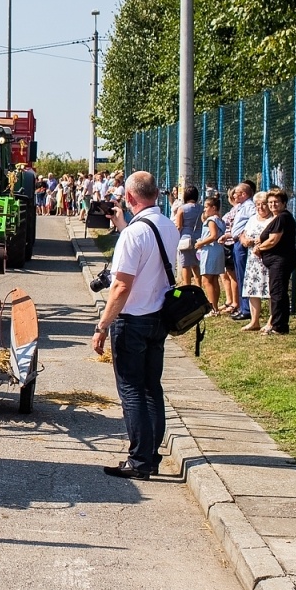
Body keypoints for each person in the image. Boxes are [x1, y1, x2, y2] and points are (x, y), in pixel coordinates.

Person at [91, 171, 178, 480]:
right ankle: (151, 454)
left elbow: (121, 286)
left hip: (133, 318)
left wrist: (102, 325)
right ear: (155, 194)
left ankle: (139, 461)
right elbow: (149, 255)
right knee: (151, 387)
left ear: (129, 198)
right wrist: (120, 226)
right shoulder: (167, 226)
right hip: (159, 316)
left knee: (131, 389)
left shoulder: (133, 234)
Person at [256, 188, 296, 335]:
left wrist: (260, 248)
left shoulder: (283, 218)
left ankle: (279, 326)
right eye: (270, 202)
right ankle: (277, 323)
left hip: (281, 260)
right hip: (276, 260)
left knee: (278, 292)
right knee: (277, 291)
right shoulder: (278, 218)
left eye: (276, 202)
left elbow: (274, 240)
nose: (273, 205)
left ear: (284, 203)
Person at [239, 191, 274, 332]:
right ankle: (254, 321)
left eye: (264, 204)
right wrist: (244, 240)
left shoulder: (273, 219)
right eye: (257, 205)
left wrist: (260, 245)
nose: (260, 207)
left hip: (267, 259)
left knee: (271, 291)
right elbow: (243, 234)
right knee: (253, 290)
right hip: (253, 260)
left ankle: (271, 321)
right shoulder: (253, 218)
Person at [222, 183, 255, 318]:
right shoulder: (241, 207)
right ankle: (242, 307)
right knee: (239, 275)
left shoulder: (249, 207)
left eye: (236, 193)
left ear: (244, 194)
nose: (234, 196)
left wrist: (244, 234)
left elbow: (253, 221)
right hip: (235, 241)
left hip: (242, 243)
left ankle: (246, 309)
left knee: (242, 275)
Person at [195, 195, 227, 313]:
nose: (204, 209)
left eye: (206, 207)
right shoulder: (221, 220)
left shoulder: (211, 220)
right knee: (214, 279)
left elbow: (213, 236)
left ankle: (212, 308)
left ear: (213, 208)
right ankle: (216, 307)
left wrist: (201, 243)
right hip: (218, 250)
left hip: (210, 251)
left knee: (206, 280)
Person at [173, 186, 203, 285]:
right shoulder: (201, 208)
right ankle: (199, 287)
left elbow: (179, 226)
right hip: (199, 239)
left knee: (186, 265)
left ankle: (187, 287)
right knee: (196, 264)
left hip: (185, 239)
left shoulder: (182, 209)